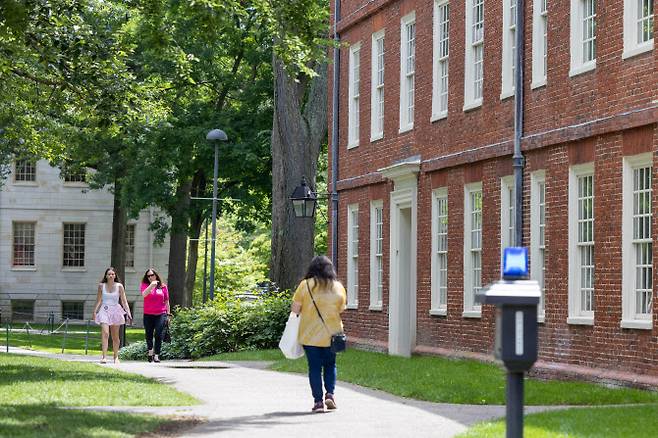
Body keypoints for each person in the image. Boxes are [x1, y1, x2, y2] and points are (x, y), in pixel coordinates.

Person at [291, 255, 347, 413]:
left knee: (314, 368)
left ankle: (318, 402)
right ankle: (330, 394)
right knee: (330, 365)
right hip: (333, 334)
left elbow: (295, 309)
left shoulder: (305, 285)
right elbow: (342, 308)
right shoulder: (337, 287)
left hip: (310, 335)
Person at [92, 267, 132, 364]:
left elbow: (124, 301)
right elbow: (99, 300)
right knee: (105, 333)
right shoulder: (101, 286)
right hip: (104, 310)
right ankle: (104, 357)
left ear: (115, 276)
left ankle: (116, 357)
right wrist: (94, 311)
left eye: (112, 274)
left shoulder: (119, 286)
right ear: (106, 276)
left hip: (115, 311)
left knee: (115, 336)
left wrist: (129, 313)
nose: (111, 276)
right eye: (109, 274)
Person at [140, 268, 170, 363]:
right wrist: (152, 285)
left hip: (161, 314)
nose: (150, 277)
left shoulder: (163, 287)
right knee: (148, 334)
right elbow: (144, 294)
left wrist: (168, 315)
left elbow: (166, 301)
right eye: (148, 276)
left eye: (152, 275)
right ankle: (150, 351)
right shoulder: (145, 285)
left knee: (158, 334)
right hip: (148, 314)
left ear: (156, 275)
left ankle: (156, 355)